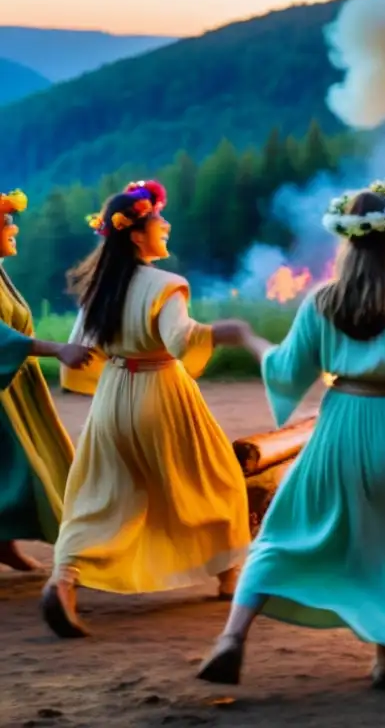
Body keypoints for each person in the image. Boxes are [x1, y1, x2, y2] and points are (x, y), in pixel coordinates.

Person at [197, 180, 385, 689]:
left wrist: (249, 337)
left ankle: (232, 637)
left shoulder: (322, 302)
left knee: (283, 536)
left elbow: (288, 368)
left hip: (338, 428)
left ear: (348, 242)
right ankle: (384, 658)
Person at [40, 180, 252, 638]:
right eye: (159, 219)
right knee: (215, 478)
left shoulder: (100, 287)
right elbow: (180, 342)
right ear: (137, 233)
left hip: (114, 396)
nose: (166, 225)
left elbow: (80, 350)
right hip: (161, 392)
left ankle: (64, 580)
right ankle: (227, 576)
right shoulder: (167, 285)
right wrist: (223, 333)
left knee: (100, 495)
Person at [1, 186, 93, 571]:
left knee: (24, 462)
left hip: (15, 388)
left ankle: (4, 543)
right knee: (15, 468)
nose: (13, 229)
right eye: (6, 223)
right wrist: (57, 349)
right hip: (3, 392)